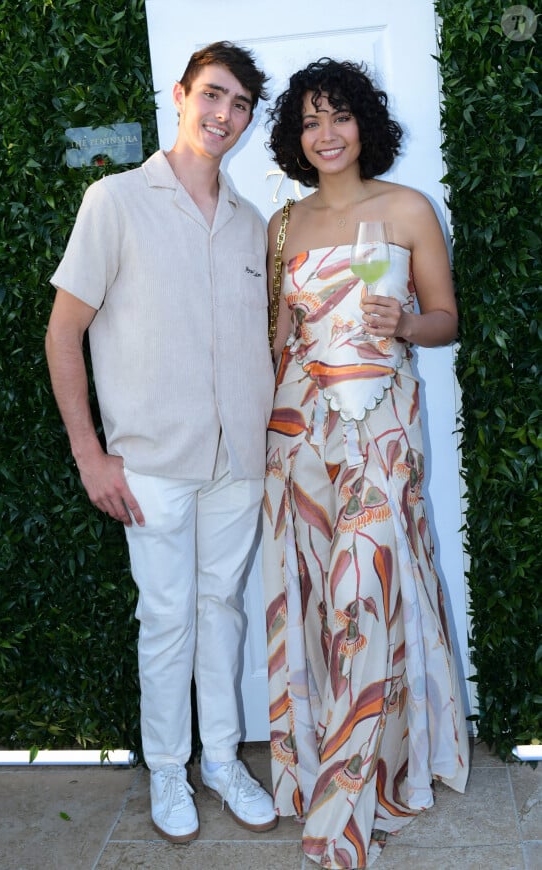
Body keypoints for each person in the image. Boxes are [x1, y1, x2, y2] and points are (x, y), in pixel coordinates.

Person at [45, 41, 277, 844]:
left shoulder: (254, 226)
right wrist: (89, 454)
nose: (224, 114)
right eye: (213, 95)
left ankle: (221, 762)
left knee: (223, 613)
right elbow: (63, 332)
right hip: (152, 464)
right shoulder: (114, 200)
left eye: (241, 103)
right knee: (169, 616)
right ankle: (170, 773)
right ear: (180, 96)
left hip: (239, 463)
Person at [263, 58, 470, 868]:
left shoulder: (408, 208)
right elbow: (275, 342)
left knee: (368, 592)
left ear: (364, 125)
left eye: (339, 116)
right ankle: (329, 764)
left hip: (382, 427)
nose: (326, 133)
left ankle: (353, 799)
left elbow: (446, 319)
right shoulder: (283, 225)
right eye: (311, 121)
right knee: (316, 596)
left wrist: (405, 322)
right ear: (295, 136)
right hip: (299, 432)